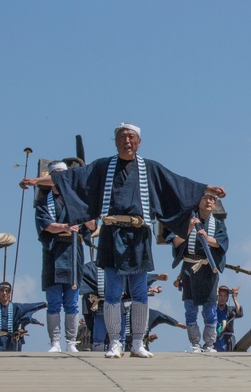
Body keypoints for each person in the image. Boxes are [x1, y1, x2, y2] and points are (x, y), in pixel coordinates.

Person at [20, 122, 226, 359]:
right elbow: (70, 179)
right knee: (112, 291)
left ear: (138, 142)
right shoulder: (103, 166)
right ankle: (115, 342)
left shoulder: (150, 168)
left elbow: (177, 183)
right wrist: (37, 182)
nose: (127, 141)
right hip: (111, 231)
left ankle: (138, 342)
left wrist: (207, 188)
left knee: (139, 290)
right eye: (122, 137)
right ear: (116, 141)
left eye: (131, 137)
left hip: (139, 234)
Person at [34, 160, 95, 352]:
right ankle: (54, 342)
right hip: (54, 251)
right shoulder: (44, 202)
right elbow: (46, 225)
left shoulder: (77, 200)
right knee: (54, 300)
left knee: (72, 300)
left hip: (74, 250)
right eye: (56, 175)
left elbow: (92, 226)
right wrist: (65, 227)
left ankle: (70, 341)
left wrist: (88, 209)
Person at [169, 192, 228, 352]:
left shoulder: (218, 224)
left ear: (215, 204)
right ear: (198, 201)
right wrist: (189, 228)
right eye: (205, 198)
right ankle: (194, 343)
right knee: (190, 307)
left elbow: (222, 243)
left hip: (209, 269)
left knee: (210, 308)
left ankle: (209, 343)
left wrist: (208, 238)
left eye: (212, 199)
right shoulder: (186, 221)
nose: (209, 201)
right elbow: (175, 241)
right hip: (189, 269)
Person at [213, 284, 244, 352]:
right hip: (215, 339)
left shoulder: (230, 310)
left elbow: (239, 313)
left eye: (225, 296)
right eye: (220, 296)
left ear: (227, 298)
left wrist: (235, 298)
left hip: (228, 341)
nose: (222, 298)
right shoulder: (213, 309)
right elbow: (205, 313)